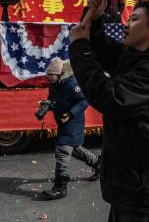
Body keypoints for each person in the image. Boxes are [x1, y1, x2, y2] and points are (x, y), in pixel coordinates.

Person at [68, 0, 149, 222]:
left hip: (148, 195)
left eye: (134, 19)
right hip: (133, 187)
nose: (126, 24)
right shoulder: (136, 58)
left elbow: (107, 96)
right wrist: (95, 17)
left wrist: (79, 47)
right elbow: (103, 49)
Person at [39, 57, 101, 200]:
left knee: (62, 150)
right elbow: (55, 100)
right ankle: (99, 164)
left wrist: (71, 114)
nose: (49, 77)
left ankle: (60, 187)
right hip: (63, 122)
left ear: (60, 73)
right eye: (48, 74)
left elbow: (84, 100)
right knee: (76, 149)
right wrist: (48, 105)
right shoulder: (55, 84)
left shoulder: (72, 83)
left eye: (51, 75)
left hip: (73, 122)